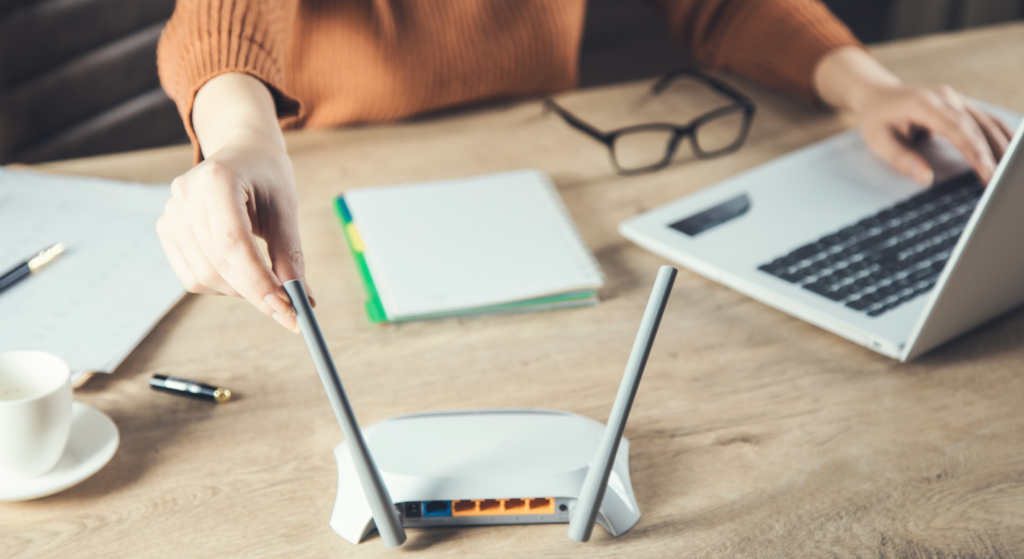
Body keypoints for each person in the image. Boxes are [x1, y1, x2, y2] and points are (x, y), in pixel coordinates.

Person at [154, 0, 1014, 333]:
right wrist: (237, 135)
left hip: (547, 168)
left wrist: (868, 88)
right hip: (338, 195)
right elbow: (221, 21)